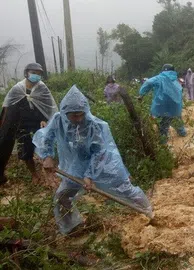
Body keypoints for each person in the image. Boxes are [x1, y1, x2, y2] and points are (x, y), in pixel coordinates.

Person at [33, 86, 152, 235]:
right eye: (74, 116)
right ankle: (72, 228)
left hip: (104, 164)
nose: (79, 119)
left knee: (125, 189)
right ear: (65, 113)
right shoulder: (58, 120)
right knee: (62, 196)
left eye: (81, 115)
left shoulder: (93, 125)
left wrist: (89, 175)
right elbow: (46, 137)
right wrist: (47, 156)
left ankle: (148, 211)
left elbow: (99, 152)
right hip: (76, 167)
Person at [0, 63, 57, 185]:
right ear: (27, 73)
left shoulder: (42, 88)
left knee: (43, 146)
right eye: (34, 73)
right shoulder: (17, 89)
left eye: (39, 74)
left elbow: (48, 107)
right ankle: (34, 175)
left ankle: (47, 173)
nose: (36, 76)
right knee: (26, 150)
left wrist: (44, 119)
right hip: (21, 125)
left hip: (38, 123)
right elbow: (9, 108)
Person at [139, 64, 186, 144]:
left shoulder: (158, 78)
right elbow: (180, 92)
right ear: (173, 71)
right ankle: (183, 136)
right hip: (175, 108)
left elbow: (148, 83)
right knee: (178, 123)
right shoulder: (176, 81)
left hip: (161, 108)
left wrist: (141, 94)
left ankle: (164, 146)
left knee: (163, 128)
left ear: (163, 70)